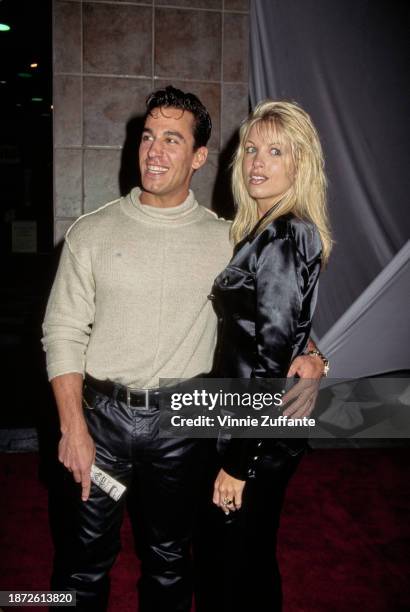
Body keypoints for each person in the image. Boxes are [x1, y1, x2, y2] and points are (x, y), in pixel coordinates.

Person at [42, 86, 328, 612]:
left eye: (172, 140)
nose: (155, 151)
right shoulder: (91, 232)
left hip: (184, 422)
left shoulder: (228, 239)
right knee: (80, 565)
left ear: (199, 157)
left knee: (171, 562)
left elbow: (273, 317)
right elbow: (62, 331)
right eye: (149, 136)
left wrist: (314, 355)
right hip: (99, 421)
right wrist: (72, 427)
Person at [194, 100, 332, 612]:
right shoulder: (265, 229)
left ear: (301, 164)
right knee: (244, 559)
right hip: (249, 427)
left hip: (252, 436)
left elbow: (272, 361)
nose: (257, 161)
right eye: (252, 149)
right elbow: (289, 331)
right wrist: (319, 357)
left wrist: (238, 463)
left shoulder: (284, 233)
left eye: (276, 151)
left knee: (233, 567)